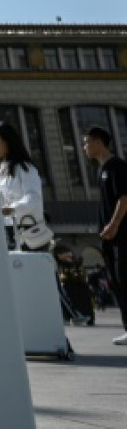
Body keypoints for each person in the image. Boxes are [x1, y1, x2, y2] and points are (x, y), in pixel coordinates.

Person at [83, 125, 127, 346]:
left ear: (98, 142)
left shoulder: (117, 166)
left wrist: (114, 223)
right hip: (109, 237)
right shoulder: (101, 170)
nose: (84, 147)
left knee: (124, 278)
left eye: (86, 142)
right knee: (116, 281)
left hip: (121, 235)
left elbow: (124, 198)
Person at [0, 122, 45, 249]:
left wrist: (12, 208)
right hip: (8, 230)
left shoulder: (24, 167)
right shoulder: (1, 170)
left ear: (6, 140)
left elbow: (33, 197)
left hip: (28, 230)